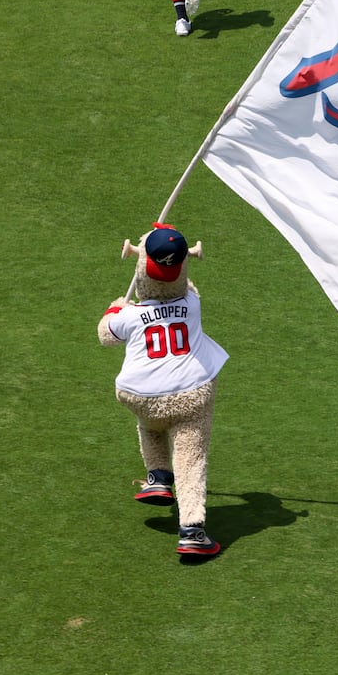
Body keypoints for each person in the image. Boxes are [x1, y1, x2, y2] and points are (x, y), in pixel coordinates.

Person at [98, 225, 228, 558]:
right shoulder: (193, 303)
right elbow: (186, 284)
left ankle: (157, 476)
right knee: (191, 458)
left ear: (141, 266)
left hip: (139, 395)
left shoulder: (130, 315)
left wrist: (115, 307)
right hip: (191, 395)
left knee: (150, 424)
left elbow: (106, 335)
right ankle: (192, 531)